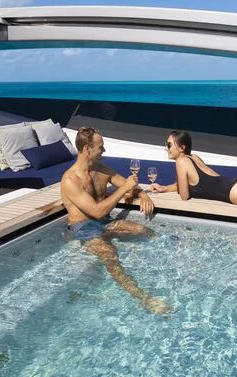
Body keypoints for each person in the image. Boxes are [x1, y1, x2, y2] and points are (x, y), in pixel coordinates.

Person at [61, 126, 172, 314]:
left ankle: (174, 253)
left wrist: (142, 195)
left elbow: (129, 185)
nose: (104, 151)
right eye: (100, 147)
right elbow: (96, 211)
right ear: (87, 149)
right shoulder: (70, 180)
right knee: (111, 258)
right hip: (82, 229)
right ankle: (145, 299)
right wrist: (124, 189)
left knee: (142, 230)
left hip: (105, 221)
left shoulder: (101, 170)